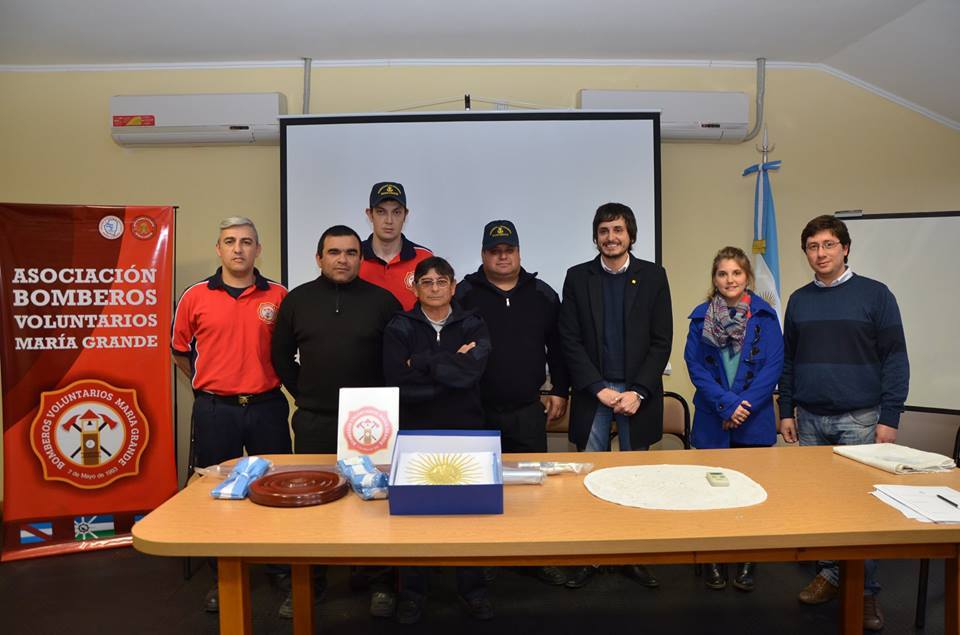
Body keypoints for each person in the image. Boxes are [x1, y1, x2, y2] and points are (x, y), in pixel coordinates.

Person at [779, 215, 909, 631]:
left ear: (845, 248)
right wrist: (786, 410)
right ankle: (830, 575)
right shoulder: (799, 300)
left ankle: (866, 593)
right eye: (813, 247)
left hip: (862, 419)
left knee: (861, 511)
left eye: (829, 245)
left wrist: (890, 417)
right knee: (820, 505)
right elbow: (789, 360)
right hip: (810, 419)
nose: (821, 253)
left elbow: (895, 358)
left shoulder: (876, 295)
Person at [171, 217, 290, 615]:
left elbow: (291, 349)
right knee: (215, 495)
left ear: (259, 250)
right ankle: (223, 577)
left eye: (247, 242)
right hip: (216, 409)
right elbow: (179, 349)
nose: (238, 249)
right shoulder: (194, 296)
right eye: (230, 241)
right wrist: (209, 382)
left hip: (267, 407)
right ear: (218, 249)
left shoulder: (279, 296)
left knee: (274, 490)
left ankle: (279, 568)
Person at [558, 202, 673, 590]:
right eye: (604, 231)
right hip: (595, 392)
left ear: (631, 235)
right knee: (590, 476)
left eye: (618, 230)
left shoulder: (654, 276)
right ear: (596, 237)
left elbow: (662, 341)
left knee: (634, 477)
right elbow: (569, 341)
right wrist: (598, 388)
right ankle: (592, 554)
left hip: (638, 394)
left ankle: (633, 555)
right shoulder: (577, 278)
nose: (611, 237)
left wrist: (638, 390)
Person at [455, 219, 571, 586]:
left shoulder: (543, 294)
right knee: (479, 490)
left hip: (526, 409)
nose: (502, 257)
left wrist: (560, 390)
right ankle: (482, 562)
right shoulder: (464, 294)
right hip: (477, 409)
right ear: (483, 254)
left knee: (531, 489)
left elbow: (561, 348)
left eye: (509, 250)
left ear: (519, 252)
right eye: (494, 251)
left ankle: (535, 557)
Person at [382, 256, 493, 624]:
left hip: (467, 431)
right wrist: (449, 362)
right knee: (415, 516)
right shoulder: (400, 325)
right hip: (416, 433)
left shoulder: (473, 323)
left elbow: (470, 377)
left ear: (453, 285)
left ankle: (473, 590)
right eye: (426, 282)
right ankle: (412, 593)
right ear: (415, 287)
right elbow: (398, 381)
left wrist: (422, 363)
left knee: (471, 515)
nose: (433, 288)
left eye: (440, 282)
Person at [683, 246, 783, 592]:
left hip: (753, 421)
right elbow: (695, 368)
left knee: (750, 495)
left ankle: (746, 560)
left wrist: (742, 406)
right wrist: (727, 406)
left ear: (747, 277)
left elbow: (772, 368)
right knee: (709, 495)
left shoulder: (766, 317)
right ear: (715, 279)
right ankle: (711, 558)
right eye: (723, 274)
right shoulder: (699, 318)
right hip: (713, 419)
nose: (730, 279)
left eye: (736, 273)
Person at [272, 225, 401, 454]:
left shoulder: (384, 302)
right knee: (314, 487)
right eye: (334, 252)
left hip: (371, 420)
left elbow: (399, 359)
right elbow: (281, 355)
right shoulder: (297, 300)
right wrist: (304, 392)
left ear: (361, 259)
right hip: (314, 421)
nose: (343, 259)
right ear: (319, 258)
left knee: (372, 490)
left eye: (351, 253)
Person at [359, 181, 433, 310]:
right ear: (370, 214)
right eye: (381, 212)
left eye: (396, 212)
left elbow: (435, 309)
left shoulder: (424, 258)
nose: (389, 221)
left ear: (405, 215)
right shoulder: (353, 257)